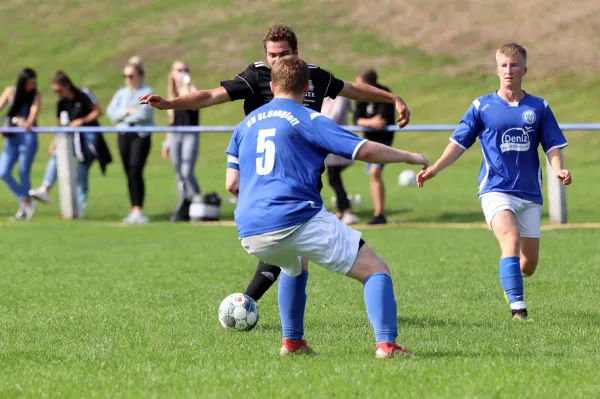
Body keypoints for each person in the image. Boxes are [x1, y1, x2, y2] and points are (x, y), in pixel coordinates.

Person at [140, 23, 412, 304]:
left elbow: (353, 90)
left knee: (292, 253)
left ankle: (272, 322)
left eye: (283, 54)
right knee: (283, 237)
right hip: (263, 171)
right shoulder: (257, 76)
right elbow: (211, 95)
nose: (277, 61)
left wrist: (391, 98)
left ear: (296, 52)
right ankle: (255, 307)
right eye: (272, 55)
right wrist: (172, 103)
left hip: (303, 176)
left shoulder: (312, 76)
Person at [225, 56, 428, 357]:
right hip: (294, 217)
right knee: (376, 270)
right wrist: (409, 156)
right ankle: (387, 344)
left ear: (271, 85)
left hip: (248, 228)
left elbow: (232, 182)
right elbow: (364, 149)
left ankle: (292, 344)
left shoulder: (245, 125)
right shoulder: (308, 118)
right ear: (307, 87)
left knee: (293, 265)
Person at [416, 42, 571, 321]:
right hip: (495, 189)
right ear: (496, 69)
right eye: (503, 66)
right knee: (509, 239)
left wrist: (558, 169)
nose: (508, 71)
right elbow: (458, 143)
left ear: (524, 69)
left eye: (514, 66)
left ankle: (511, 280)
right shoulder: (482, 106)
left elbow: (552, 145)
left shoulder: (539, 107)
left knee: (529, 265)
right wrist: (435, 169)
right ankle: (518, 309)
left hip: (530, 193)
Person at [29, 72, 111, 216]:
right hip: (71, 139)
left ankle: (79, 205)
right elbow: (60, 124)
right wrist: (55, 141)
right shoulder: (61, 104)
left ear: (67, 86)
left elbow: (98, 111)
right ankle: (45, 188)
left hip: (88, 140)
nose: (57, 94)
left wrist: (82, 121)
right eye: (55, 92)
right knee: (56, 156)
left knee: (81, 170)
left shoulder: (83, 94)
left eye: (59, 90)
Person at [107, 61, 154, 224]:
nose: (128, 79)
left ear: (140, 76)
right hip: (123, 134)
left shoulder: (147, 92)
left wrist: (126, 116)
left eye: (131, 76)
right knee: (128, 171)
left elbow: (144, 114)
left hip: (140, 135)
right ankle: (133, 208)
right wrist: (127, 111)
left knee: (135, 169)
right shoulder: (121, 94)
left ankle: (138, 209)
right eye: (125, 76)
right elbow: (111, 113)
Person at [354, 69, 396, 225]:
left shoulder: (384, 94)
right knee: (373, 175)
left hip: (383, 141)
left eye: (359, 82)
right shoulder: (360, 95)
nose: (356, 85)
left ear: (368, 83)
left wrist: (367, 122)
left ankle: (380, 214)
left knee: (374, 172)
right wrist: (369, 122)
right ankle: (378, 212)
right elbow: (356, 119)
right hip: (368, 141)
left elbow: (382, 121)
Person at [0, 68, 40, 220]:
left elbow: (30, 120)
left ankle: (25, 208)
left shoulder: (35, 96)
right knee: (3, 172)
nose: (32, 85)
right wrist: (16, 121)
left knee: (23, 172)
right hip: (12, 138)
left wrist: (22, 121)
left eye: (34, 82)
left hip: (27, 138)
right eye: (30, 82)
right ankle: (24, 199)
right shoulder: (11, 92)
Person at [163, 60, 201, 222]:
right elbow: (171, 122)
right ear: (172, 73)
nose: (182, 72)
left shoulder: (191, 89)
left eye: (185, 69)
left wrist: (186, 84)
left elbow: (195, 102)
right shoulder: (172, 94)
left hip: (190, 134)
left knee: (187, 171)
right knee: (179, 172)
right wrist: (166, 142)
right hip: (175, 135)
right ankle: (184, 202)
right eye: (179, 70)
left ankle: (197, 200)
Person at [322, 96, 359, 225]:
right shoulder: (326, 99)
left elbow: (334, 117)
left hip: (338, 143)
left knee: (333, 177)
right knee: (333, 177)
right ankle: (342, 209)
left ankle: (346, 210)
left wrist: (315, 122)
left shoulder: (339, 98)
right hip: (329, 144)